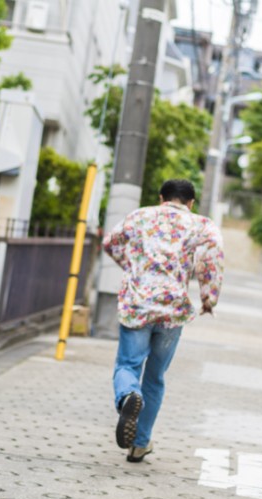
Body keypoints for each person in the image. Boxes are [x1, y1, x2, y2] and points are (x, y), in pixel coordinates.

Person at [102, 178, 224, 462]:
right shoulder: (201, 225)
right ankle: (139, 444)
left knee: (128, 366)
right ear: (191, 203)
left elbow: (110, 242)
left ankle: (127, 397)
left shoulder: (140, 216)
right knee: (155, 378)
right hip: (172, 311)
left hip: (138, 305)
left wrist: (133, 268)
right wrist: (208, 298)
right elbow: (211, 260)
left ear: (161, 198)